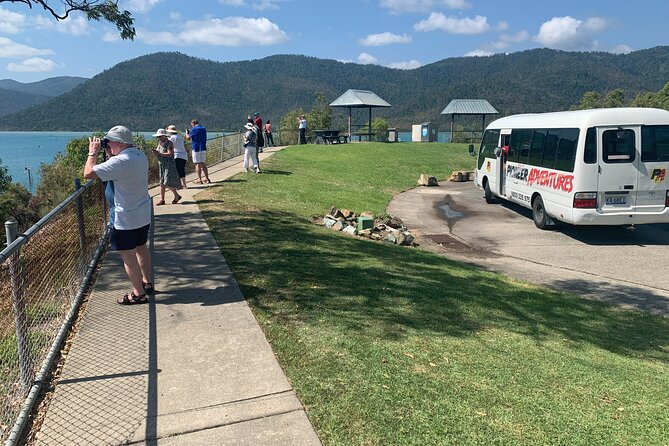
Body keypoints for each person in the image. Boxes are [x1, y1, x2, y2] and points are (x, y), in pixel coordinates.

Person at [84, 125, 153, 305]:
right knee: (141, 248)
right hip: (142, 214)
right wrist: (110, 153)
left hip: (125, 219)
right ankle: (147, 282)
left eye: (109, 142)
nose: (108, 145)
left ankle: (138, 294)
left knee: (128, 256)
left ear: (118, 143)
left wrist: (93, 153)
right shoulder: (140, 155)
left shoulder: (120, 162)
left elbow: (88, 173)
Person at [152, 128, 182, 205]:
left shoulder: (169, 143)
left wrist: (160, 154)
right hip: (162, 165)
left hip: (169, 165)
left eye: (160, 136)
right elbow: (159, 151)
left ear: (164, 136)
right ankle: (163, 199)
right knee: (162, 183)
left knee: (166, 182)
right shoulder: (160, 142)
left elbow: (170, 153)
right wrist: (156, 152)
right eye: (158, 137)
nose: (159, 138)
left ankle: (176, 195)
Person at [185, 119, 210, 184]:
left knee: (197, 163)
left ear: (193, 123)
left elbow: (188, 138)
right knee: (203, 163)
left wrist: (187, 133)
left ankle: (199, 179)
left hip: (196, 148)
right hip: (203, 147)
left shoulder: (194, 129)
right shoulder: (203, 128)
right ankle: (207, 178)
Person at [166, 124, 188, 189]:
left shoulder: (171, 138)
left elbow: (168, 145)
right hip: (183, 155)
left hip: (176, 155)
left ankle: (178, 185)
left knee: (176, 171)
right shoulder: (180, 137)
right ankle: (184, 184)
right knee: (182, 170)